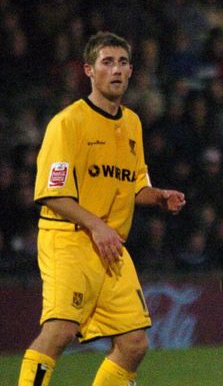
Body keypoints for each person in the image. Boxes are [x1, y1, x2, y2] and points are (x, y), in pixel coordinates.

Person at [18, 31, 186, 386]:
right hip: (69, 238)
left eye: (123, 62)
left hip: (110, 244)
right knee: (60, 331)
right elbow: (51, 194)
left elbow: (134, 184)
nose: (117, 70)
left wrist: (158, 196)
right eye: (107, 62)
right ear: (89, 71)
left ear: (131, 71)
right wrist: (96, 226)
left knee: (134, 344)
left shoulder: (132, 123)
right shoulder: (68, 123)